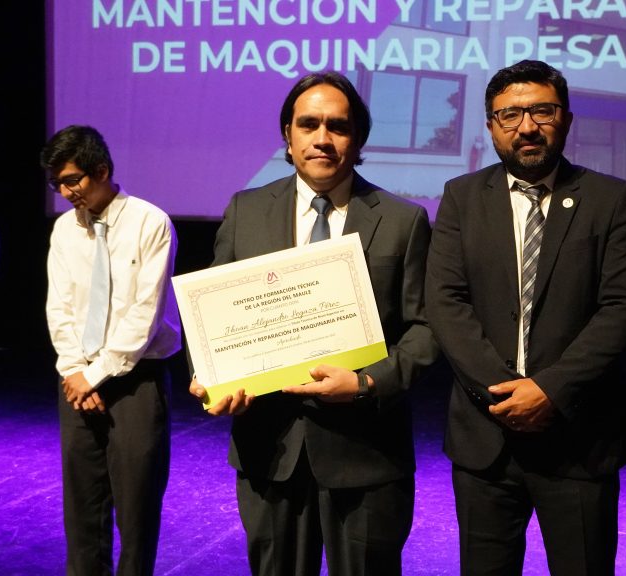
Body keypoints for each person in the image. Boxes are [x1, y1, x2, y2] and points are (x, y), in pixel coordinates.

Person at [188, 71, 437, 576]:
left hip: (367, 453)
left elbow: (426, 330)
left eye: (337, 126)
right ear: (288, 135)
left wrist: (367, 383)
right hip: (269, 448)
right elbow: (210, 313)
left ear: (357, 139)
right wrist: (209, 376)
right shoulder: (245, 210)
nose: (322, 138)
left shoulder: (402, 219)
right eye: (308, 124)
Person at [425, 59, 626, 575]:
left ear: (565, 118)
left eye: (541, 112)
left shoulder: (608, 199)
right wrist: (504, 395)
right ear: (491, 126)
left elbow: (624, 305)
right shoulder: (461, 197)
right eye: (509, 115)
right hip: (486, 439)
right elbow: (445, 301)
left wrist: (549, 391)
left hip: (579, 437)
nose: (526, 126)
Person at [42, 125, 182, 576]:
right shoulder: (64, 230)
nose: (66, 193)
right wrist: (75, 372)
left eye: (72, 181)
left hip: (135, 378)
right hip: (77, 379)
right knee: (83, 508)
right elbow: (59, 307)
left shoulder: (149, 222)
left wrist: (96, 374)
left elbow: (144, 314)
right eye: (57, 184)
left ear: (101, 170)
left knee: (136, 508)